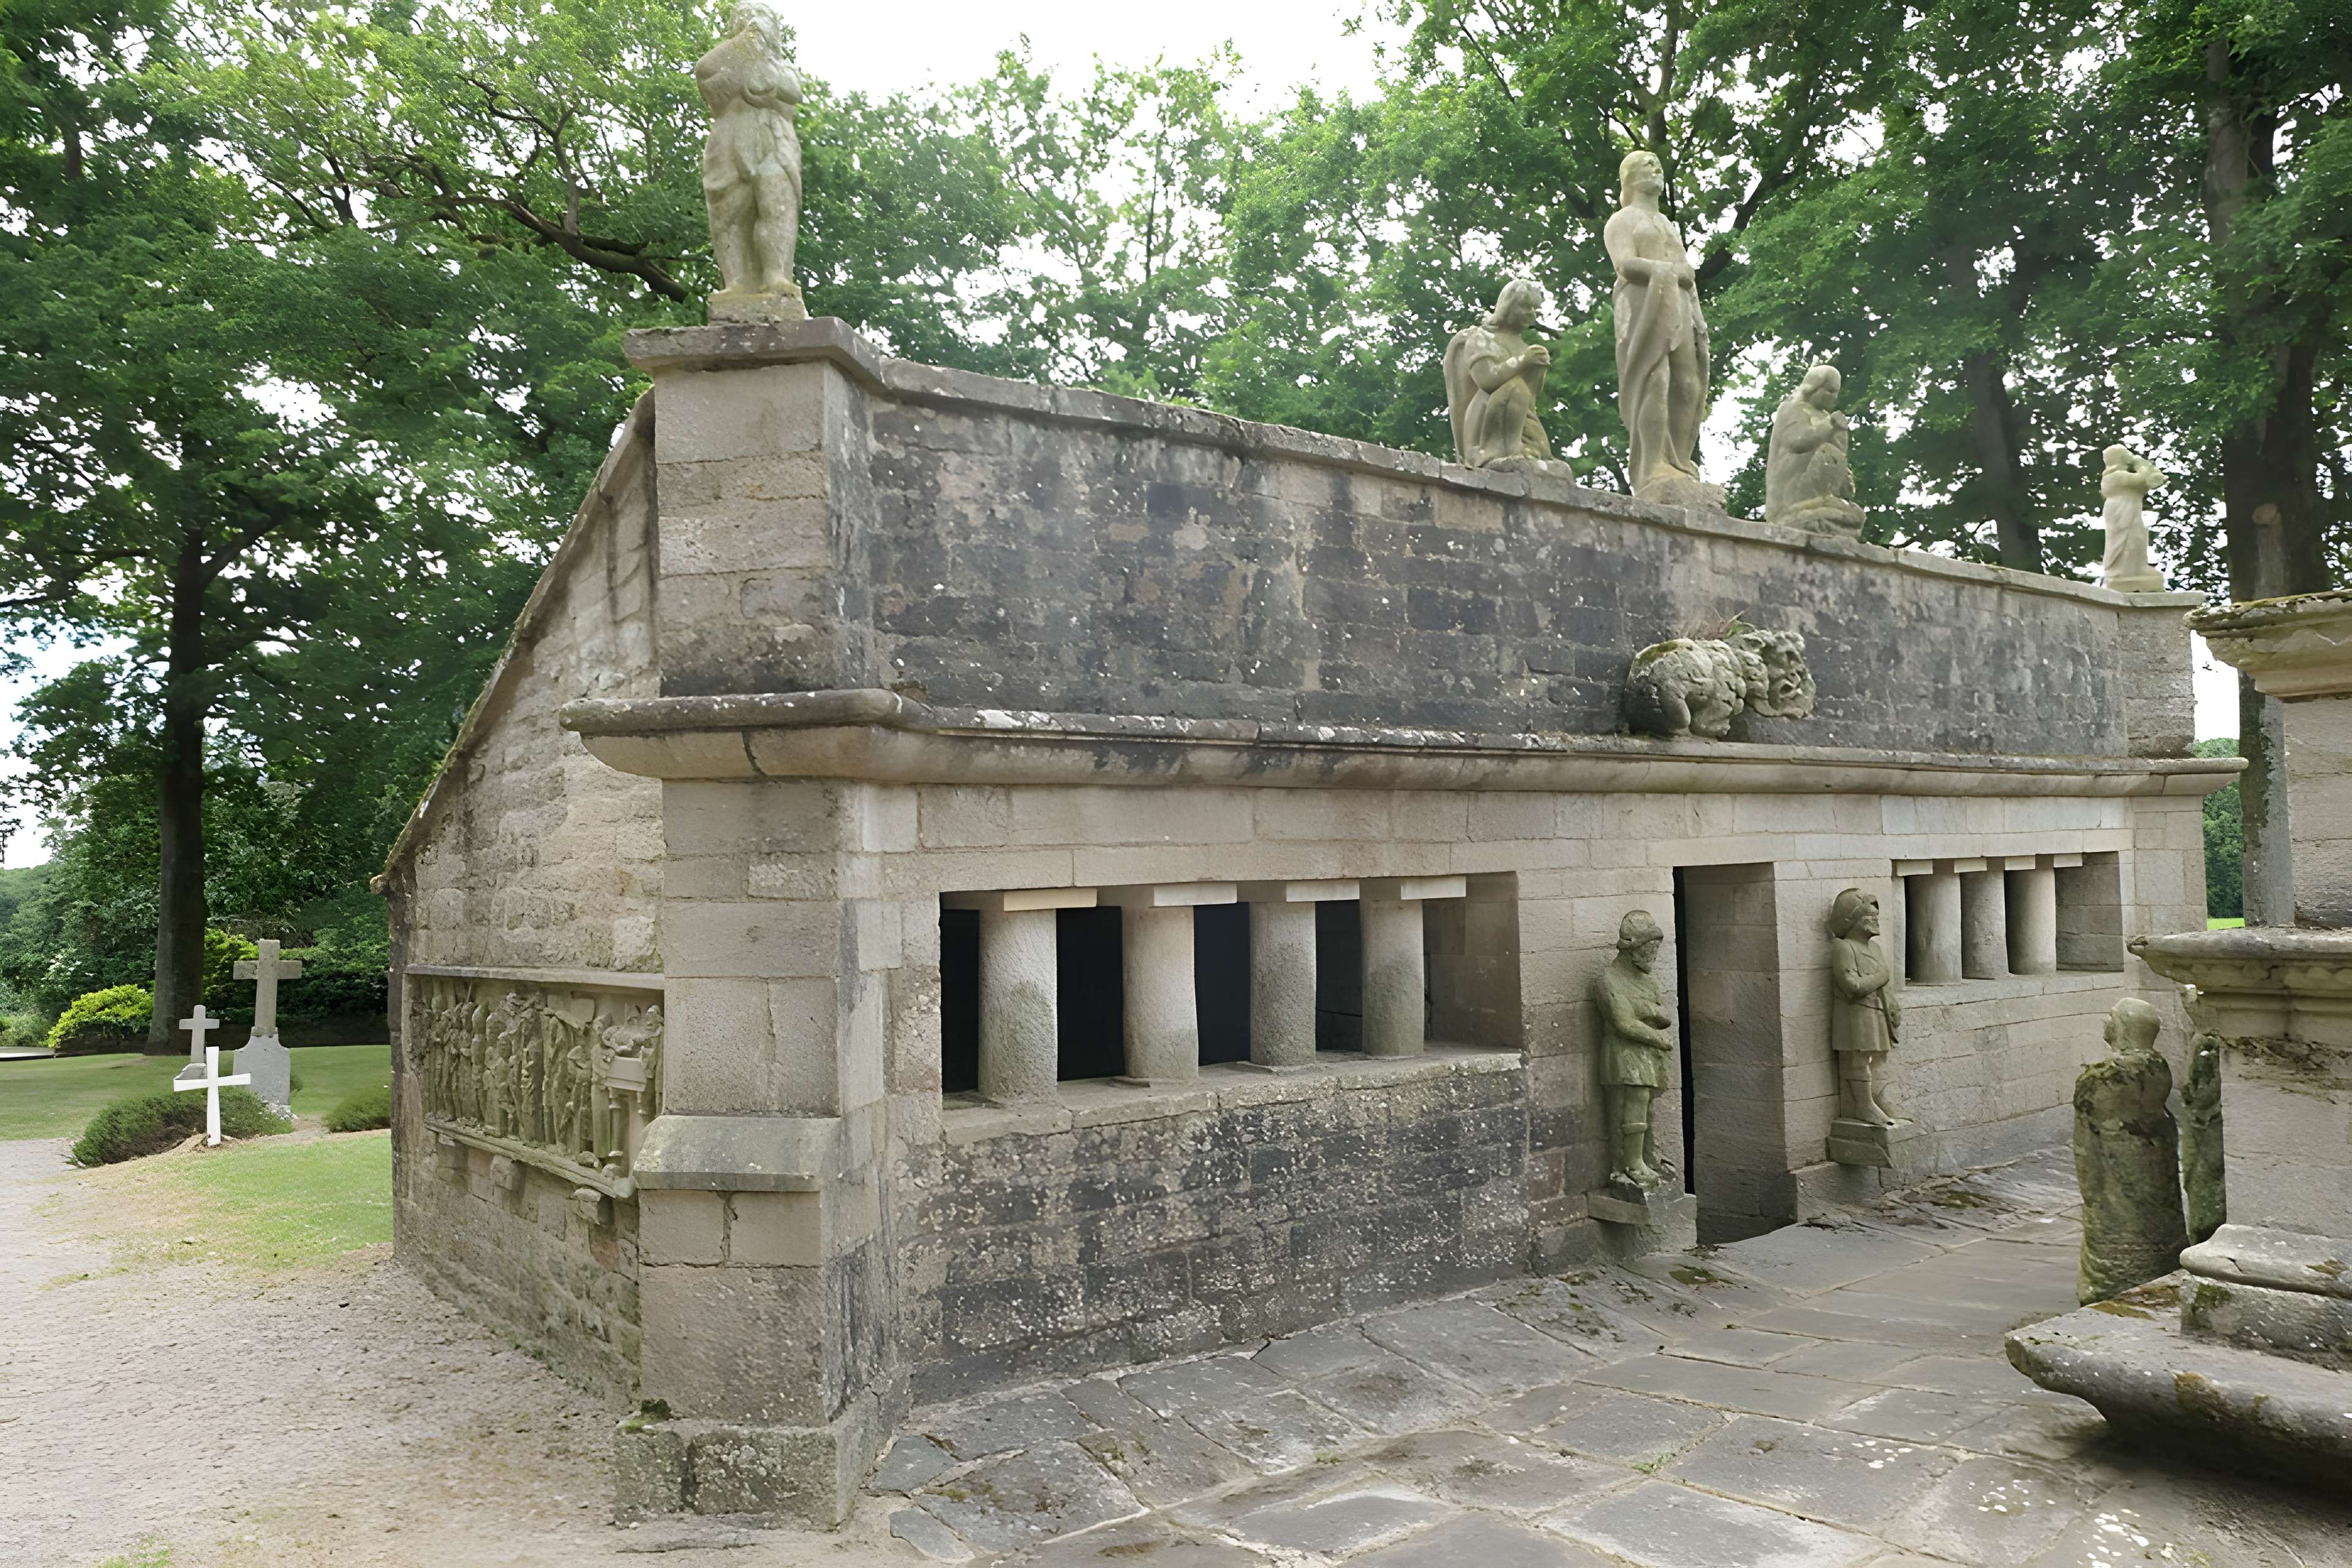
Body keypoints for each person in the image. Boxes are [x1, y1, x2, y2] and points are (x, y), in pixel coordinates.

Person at [1605, 150, 1716, 505]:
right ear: (1630, 178)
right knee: (1656, 378)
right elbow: (1625, 264)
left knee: (1688, 382)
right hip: (1643, 303)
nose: (1657, 170)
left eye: (1658, 165)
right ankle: (1652, 465)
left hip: (1679, 302)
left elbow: (1685, 268)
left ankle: (1679, 461)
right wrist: (1669, 272)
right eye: (1647, 166)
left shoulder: (1668, 223)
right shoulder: (1622, 220)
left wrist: (1683, 276)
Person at [698, 3, 804, 314]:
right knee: (727, 213)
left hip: (774, 141)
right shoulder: (723, 60)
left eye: (761, 16)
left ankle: (776, 277)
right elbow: (704, 70)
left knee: (776, 204)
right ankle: (737, 283)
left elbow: (791, 91)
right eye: (745, 16)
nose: (754, 21)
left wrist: (757, 61)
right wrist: (745, 43)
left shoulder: (783, 68)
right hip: (729, 142)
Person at [1594, 910, 1675, 1189]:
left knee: (1646, 1105)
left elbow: (1664, 1015)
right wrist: (1656, 1037)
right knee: (1632, 1103)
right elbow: (1623, 1022)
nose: (1653, 956)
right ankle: (1630, 1163)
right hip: (1623, 1053)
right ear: (1634, 950)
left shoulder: (1647, 980)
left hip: (1646, 1054)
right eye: (1650, 950)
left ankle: (1644, 1156)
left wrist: (1645, 1010)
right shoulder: (1609, 980)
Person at [1444, 277, 1559, 471]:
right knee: (1513, 386)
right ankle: (1500, 452)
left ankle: (1525, 450)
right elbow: (1487, 381)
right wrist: (1522, 361)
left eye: (1534, 309)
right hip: (1489, 417)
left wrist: (1538, 369)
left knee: (1551, 462)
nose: (1531, 314)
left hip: (1521, 417)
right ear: (1508, 306)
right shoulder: (1481, 338)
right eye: (1525, 307)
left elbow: (1531, 394)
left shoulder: (1523, 346)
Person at [1827, 888, 1901, 1126]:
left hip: (1877, 1012)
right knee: (1858, 1058)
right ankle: (1862, 1105)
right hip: (1856, 1013)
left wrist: (1892, 1006)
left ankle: (1874, 1099)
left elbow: (1886, 986)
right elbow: (1852, 985)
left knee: (1875, 1058)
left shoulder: (1875, 948)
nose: (1875, 921)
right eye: (1868, 917)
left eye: (1875, 916)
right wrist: (1882, 976)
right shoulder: (1844, 947)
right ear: (1853, 921)